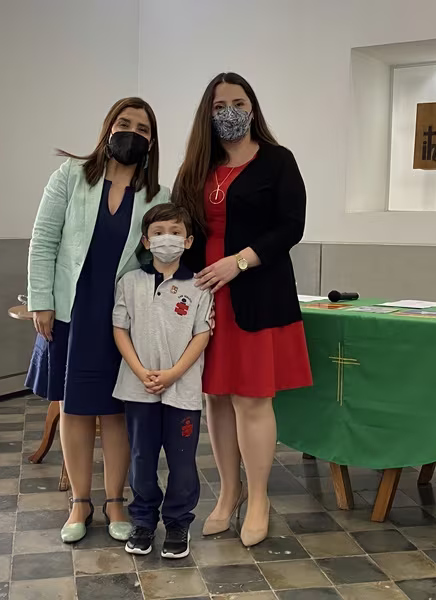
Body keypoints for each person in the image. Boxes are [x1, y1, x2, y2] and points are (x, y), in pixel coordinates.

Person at [173, 73, 313, 547]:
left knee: (252, 399)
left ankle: (258, 499)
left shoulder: (277, 160)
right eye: (219, 106)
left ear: (253, 108)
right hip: (205, 297)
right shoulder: (196, 166)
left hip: (257, 292)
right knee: (216, 397)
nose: (229, 112)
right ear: (206, 114)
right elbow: (180, 226)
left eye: (238, 102)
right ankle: (228, 493)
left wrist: (239, 261)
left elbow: (291, 225)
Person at [26, 97, 170, 544]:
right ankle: (79, 503)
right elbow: (44, 240)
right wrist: (41, 301)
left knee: (115, 411)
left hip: (121, 319)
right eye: (124, 124)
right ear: (108, 128)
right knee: (73, 407)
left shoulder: (157, 196)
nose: (132, 133)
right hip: (73, 309)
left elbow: (157, 258)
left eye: (142, 129)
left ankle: (114, 502)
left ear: (151, 142)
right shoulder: (70, 177)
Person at [112, 204, 212, 559]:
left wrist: (173, 374)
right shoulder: (129, 282)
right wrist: (141, 371)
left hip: (182, 390)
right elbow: (120, 329)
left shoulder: (199, 285)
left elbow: (202, 334)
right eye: (157, 232)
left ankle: (178, 522)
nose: (166, 238)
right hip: (138, 388)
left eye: (174, 232)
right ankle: (142, 521)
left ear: (188, 241)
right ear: (145, 241)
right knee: (141, 458)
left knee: (182, 462)